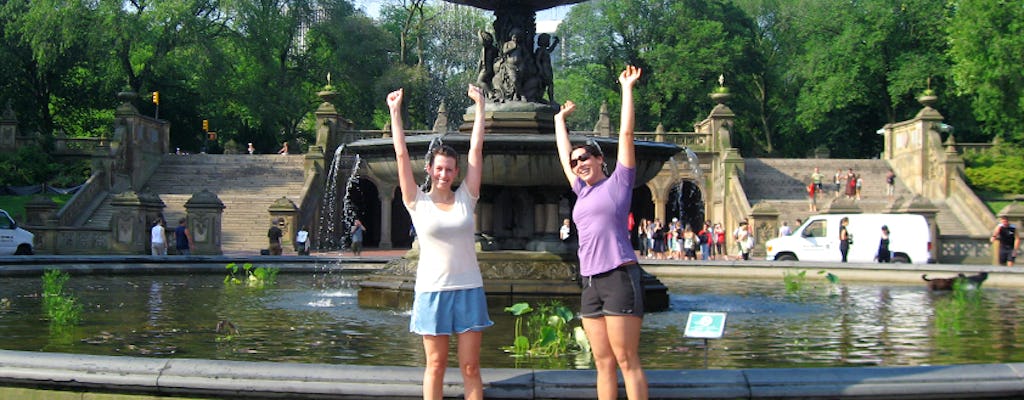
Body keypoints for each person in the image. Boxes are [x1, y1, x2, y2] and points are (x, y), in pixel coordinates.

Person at [388, 84, 492, 400]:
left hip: (469, 289)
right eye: (439, 168)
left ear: (456, 171)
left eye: (449, 169)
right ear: (430, 170)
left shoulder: (466, 198)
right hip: (432, 292)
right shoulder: (415, 201)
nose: (444, 174)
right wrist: (395, 112)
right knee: (435, 365)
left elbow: (476, 151)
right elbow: (401, 153)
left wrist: (481, 108)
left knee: (471, 367)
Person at [554, 65, 648, 400]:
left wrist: (627, 89)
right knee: (602, 361)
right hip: (590, 282)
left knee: (626, 359)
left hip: (619, 276)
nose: (579, 163)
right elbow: (564, 159)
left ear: (599, 159)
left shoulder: (619, 184)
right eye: (576, 160)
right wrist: (558, 121)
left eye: (585, 158)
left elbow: (625, 135)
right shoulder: (582, 192)